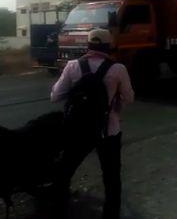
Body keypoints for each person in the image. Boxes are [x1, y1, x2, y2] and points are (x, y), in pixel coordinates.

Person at [51, 28, 134, 219]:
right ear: (108, 46)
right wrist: (116, 102)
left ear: (88, 45)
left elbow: (55, 96)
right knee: (112, 177)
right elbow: (129, 98)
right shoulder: (118, 69)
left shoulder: (72, 66)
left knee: (65, 170)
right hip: (108, 130)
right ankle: (110, 214)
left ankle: (60, 207)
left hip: (78, 130)